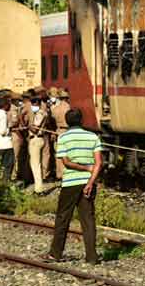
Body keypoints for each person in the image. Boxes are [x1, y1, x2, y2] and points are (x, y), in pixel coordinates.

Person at [44, 109, 102, 264]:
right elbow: (98, 163)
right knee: (88, 220)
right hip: (87, 183)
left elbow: (66, 162)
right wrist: (90, 182)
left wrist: (83, 168)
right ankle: (91, 257)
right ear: (81, 120)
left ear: (67, 122)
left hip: (70, 183)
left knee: (63, 217)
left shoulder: (64, 138)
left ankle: (55, 254)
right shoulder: (93, 137)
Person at [28, 97, 48, 194]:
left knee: (35, 165)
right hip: (40, 139)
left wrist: (29, 126)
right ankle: (39, 187)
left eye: (34, 104)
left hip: (36, 139)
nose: (33, 106)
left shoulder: (40, 113)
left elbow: (35, 128)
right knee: (37, 164)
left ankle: (39, 189)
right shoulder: (42, 112)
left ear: (38, 104)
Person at [50, 89, 71, 180]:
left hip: (58, 131)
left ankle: (59, 174)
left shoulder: (55, 109)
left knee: (59, 154)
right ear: (66, 98)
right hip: (67, 131)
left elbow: (52, 121)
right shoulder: (68, 108)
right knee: (67, 154)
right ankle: (66, 173)